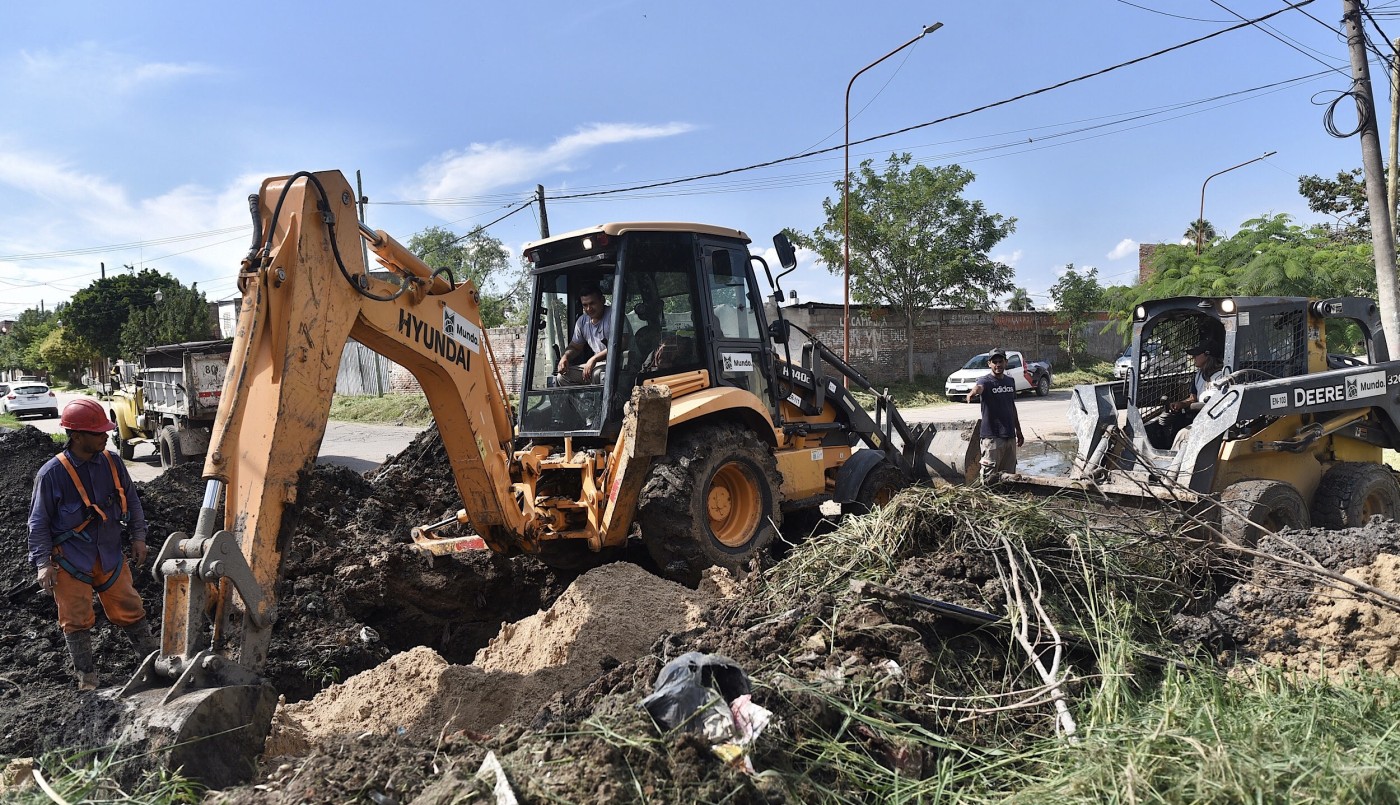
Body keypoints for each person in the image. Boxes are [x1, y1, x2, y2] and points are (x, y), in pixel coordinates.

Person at [28, 398, 157, 692]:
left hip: (110, 554)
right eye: (98, 432)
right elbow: (37, 523)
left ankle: (152, 663)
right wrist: (43, 564)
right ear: (76, 435)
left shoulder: (112, 462)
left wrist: (139, 537)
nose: (106, 435)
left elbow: (133, 501)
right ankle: (87, 680)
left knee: (130, 608)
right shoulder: (51, 474)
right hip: (71, 560)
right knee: (75, 620)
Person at [968, 348, 1025, 482]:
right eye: (995, 362)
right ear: (989, 364)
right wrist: (973, 392)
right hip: (992, 438)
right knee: (990, 478)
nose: (998, 365)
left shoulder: (1010, 381)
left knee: (1009, 478)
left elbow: (1012, 407)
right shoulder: (985, 381)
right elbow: (979, 388)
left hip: (1010, 436)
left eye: (1000, 361)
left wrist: (1019, 431)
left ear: (1006, 362)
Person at [1163, 343, 1224, 449]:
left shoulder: (1222, 376)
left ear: (1207, 355)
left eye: (1196, 355)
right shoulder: (1199, 375)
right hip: (1200, 419)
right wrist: (1182, 404)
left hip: (1216, 421)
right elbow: (1193, 398)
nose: (1193, 357)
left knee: (1183, 435)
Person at [555, 286, 611, 386]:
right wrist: (565, 357)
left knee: (597, 374)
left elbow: (621, 344)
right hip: (598, 364)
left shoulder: (613, 315)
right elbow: (575, 347)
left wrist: (593, 359)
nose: (589, 309)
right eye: (585, 305)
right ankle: (583, 402)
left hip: (620, 366)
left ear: (602, 300)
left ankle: (601, 402)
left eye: (592, 303)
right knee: (563, 377)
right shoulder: (582, 322)